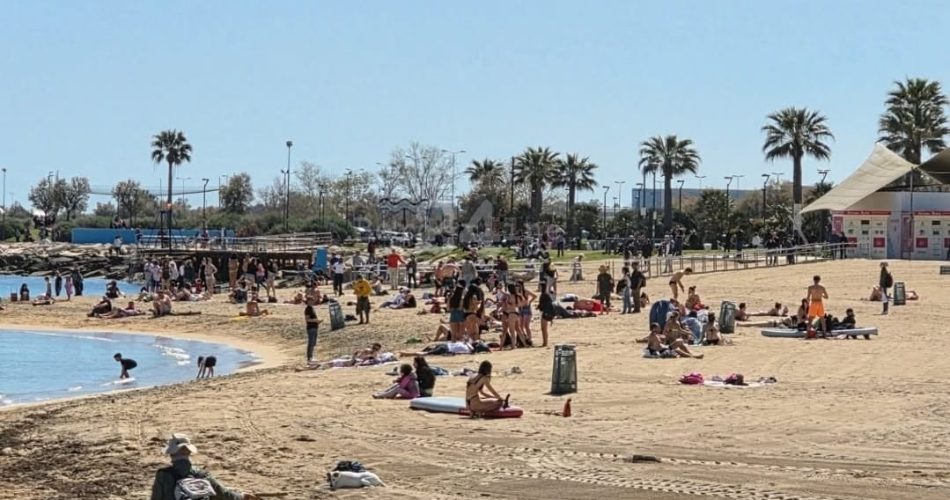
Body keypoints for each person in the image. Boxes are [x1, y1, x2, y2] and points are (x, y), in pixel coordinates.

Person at [150, 433, 259, 500]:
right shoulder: (202, 474)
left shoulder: (163, 475)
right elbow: (223, 494)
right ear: (189, 452)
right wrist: (242, 496)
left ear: (171, 453)